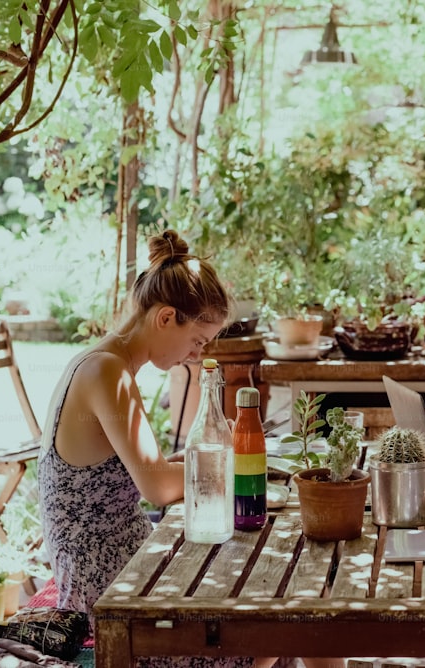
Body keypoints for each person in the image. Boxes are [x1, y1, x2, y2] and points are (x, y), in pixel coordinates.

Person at [38, 231, 342, 668]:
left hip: (123, 574)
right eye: (197, 341)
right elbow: (158, 488)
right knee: (305, 612)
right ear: (166, 318)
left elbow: (143, 471)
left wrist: (212, 460)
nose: (194, 355)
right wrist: (238, 466)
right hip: (114, 600)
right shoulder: (108, 372)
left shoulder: (101, 362)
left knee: (288, 590)